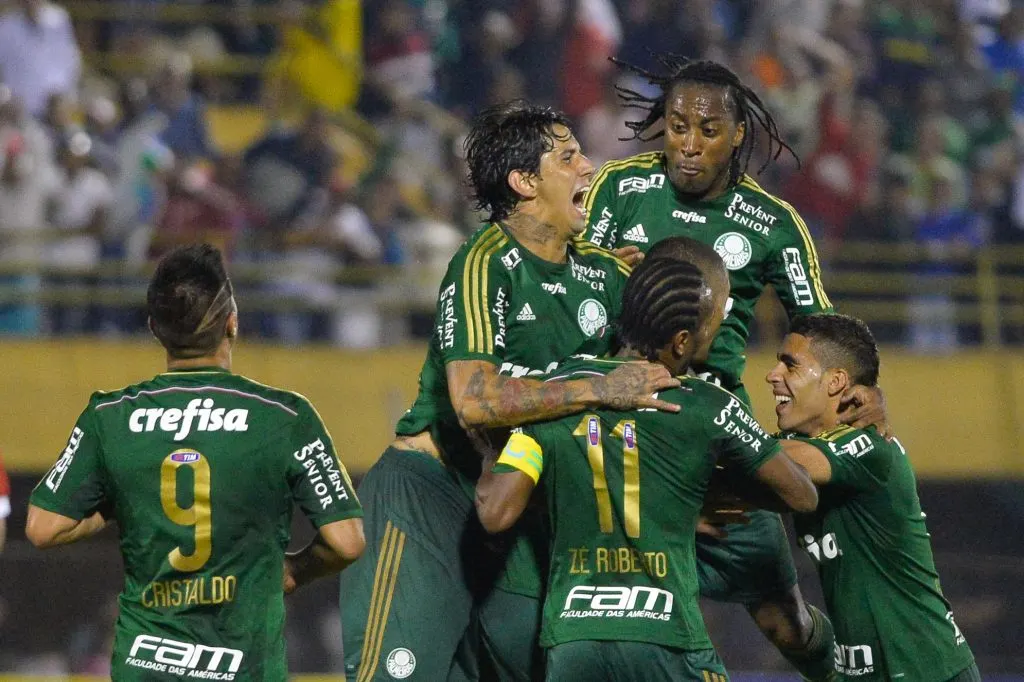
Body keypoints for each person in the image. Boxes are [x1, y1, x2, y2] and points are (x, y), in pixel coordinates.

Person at [339, 100, 681, 682]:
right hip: (431, 495)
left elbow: (677, 348)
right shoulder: (484, 263)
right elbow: (474, 399)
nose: (589, 168)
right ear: (524, 182)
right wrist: (598, 386)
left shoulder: (604, 271)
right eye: (569, 157)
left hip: (519, 504)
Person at [582, 55, 883, 680]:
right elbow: (571, 288)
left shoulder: (773, 224)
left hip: (714, 431)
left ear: (738, 133)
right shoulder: (618, 187)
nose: (688, 146)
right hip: (619, 419)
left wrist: (861, 398)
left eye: (708, 131)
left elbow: (821, 335)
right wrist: (608, 271)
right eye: (677, 126)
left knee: (783, 621)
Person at [26, 243, 365, 680]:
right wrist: (295, 571)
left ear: (154, 329)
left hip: (145, 664)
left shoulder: (109, 417)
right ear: (232, 323)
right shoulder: (284, 417)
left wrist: (113, 502)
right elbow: (347, 541)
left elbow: (43, 526)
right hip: (245, 667)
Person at [475, 255, 819, 681]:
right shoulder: (707, 406)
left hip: (573, 644)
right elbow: (802, 494)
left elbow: (496, 512)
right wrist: (706, 487)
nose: (718, 333)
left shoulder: (557, 394)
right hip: (668, 639)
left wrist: (495, 446)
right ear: (679, 342)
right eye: (712, 325)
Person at [766, 313, 980, 682]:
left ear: (836, 381)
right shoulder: (803, 448)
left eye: (790, 365)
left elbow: (760, 458)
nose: (773, 375)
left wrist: (714, 417)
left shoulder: (869, 446)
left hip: (927, 671)